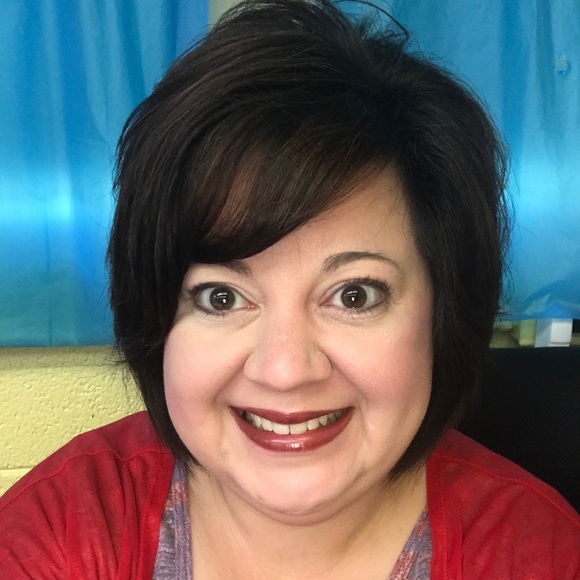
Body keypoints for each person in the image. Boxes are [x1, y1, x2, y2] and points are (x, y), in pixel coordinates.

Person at [1, 0, 578, 577]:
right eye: (220, 297)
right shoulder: (63, 529)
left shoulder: (538, 555)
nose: (285, 371)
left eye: (355, 295)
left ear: (444, 313)